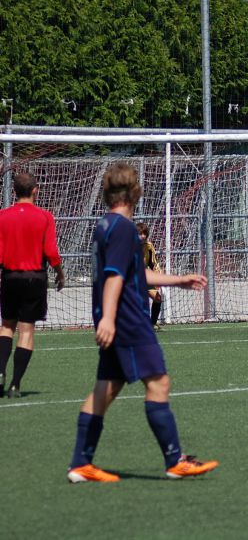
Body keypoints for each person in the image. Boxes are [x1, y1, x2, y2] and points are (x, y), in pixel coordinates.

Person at [67, 162, 218, 483]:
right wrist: (109, 317)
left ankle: (81, 463)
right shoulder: (123, 229)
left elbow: (134, 272)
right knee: (159, 382)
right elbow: (114, 276)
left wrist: (177, 280)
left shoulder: (105, 225)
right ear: (137, 192)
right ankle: (175, 461)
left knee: (105, 389)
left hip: (115, 318)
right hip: (128, 320)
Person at [0, 172, 65, 399]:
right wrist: (60, 273)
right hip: (34, 278)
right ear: (35, 190)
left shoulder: (2, 216)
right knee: (26, 330)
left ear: (14, 191)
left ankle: (0, 371)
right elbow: (51, 252)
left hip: (9, 277)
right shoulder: (45, 216)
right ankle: (16, 385)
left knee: (7, 325)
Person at [136, 222, 163, 329]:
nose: (143, 236)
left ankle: (152, 324)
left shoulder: (149, 246)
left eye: (144, 234)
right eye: (140, 234)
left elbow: (153, 263)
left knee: (157, 298)